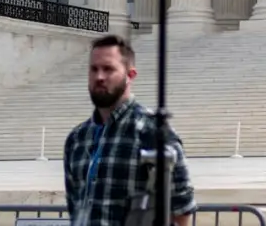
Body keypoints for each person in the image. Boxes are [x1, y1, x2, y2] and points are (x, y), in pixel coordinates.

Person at [64, 34, 196, 226]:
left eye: (108, 69)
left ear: (130, 75)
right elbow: (74, 208)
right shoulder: (77, 139)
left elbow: (182, 211)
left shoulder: (153, 132)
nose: (99, 77)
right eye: (94, 69)